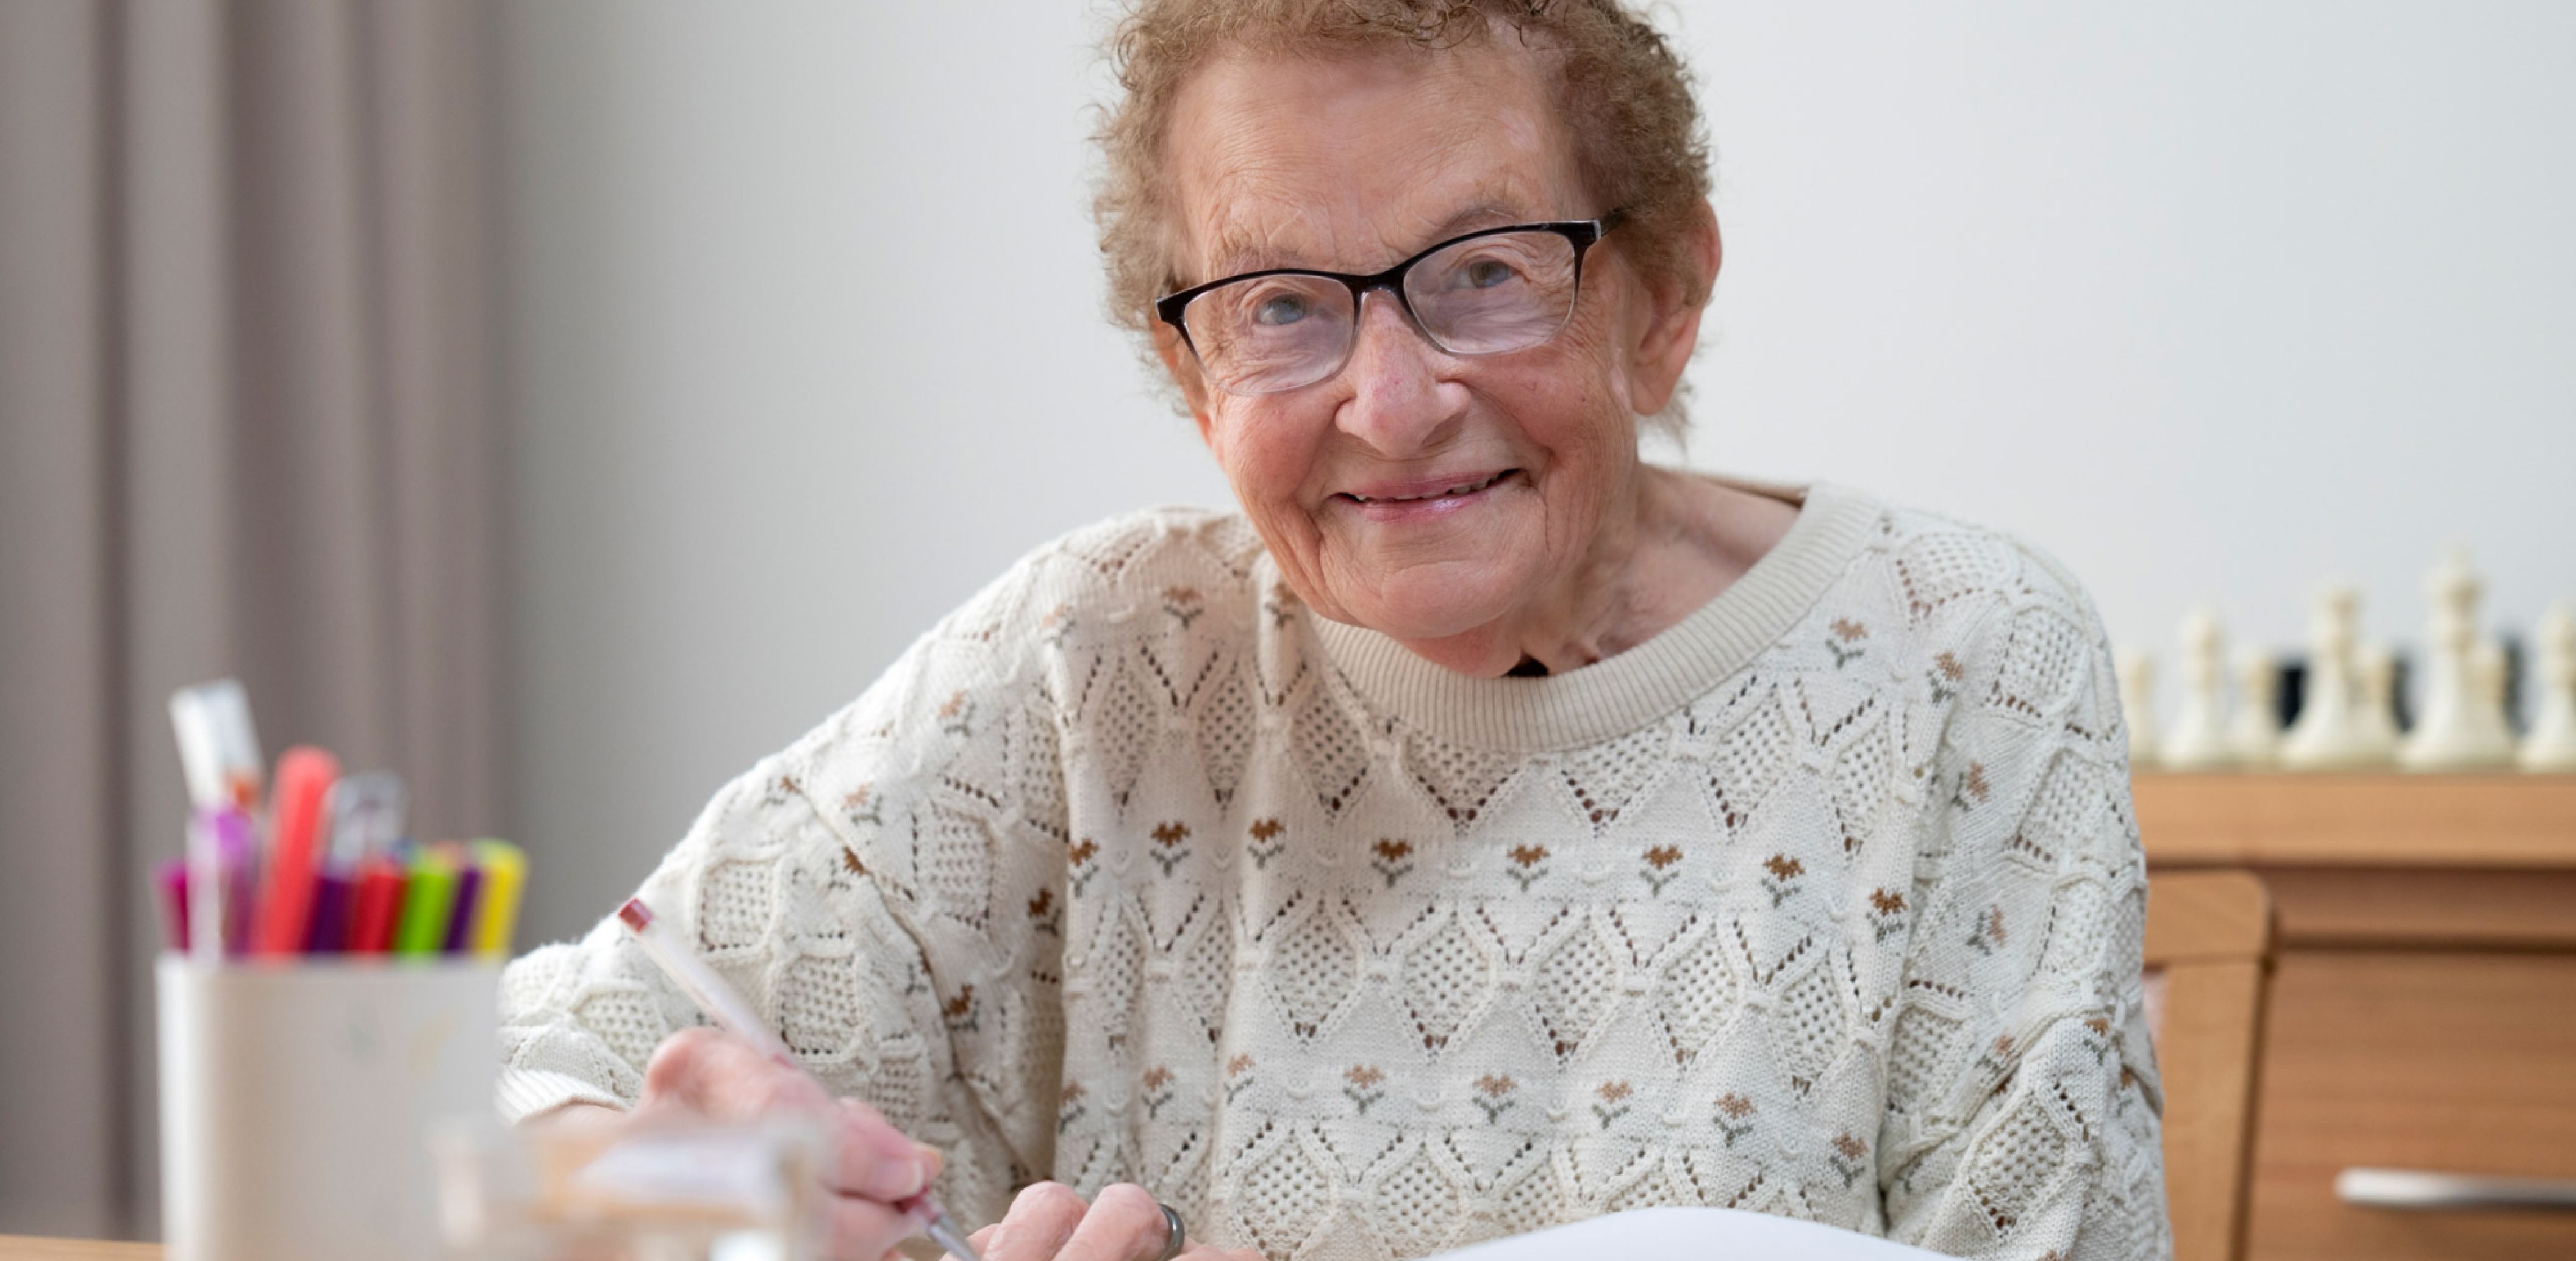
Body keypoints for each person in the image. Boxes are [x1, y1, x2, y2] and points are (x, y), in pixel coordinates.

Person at [496, 2, 2169, 1259]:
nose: (1392, 402)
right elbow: (509, 1090)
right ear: (1190, 372)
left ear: (1661, 300)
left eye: (1486, 273)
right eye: (1282, 305)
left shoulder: (1962, 660)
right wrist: (658, 1189)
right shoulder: (1098, 659)